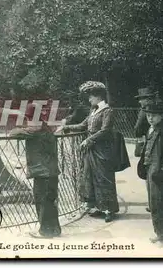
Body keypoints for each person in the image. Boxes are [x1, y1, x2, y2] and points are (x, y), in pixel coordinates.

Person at [57, 81, 119, 223]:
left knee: (104, 177)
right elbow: (83, 125)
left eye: (91, 96)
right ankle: (98, 206)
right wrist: (66, 128)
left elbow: (105, 130)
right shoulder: (93, 111)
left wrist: (89, 140)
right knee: (91, 176)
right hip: (92, 149)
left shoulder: (108, 110)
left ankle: (109, 209)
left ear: (98, 97)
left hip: (103, 149)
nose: (89, 99)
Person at [9, 102, 61, 238]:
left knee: (42, 200)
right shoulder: (45, 127)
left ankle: (45, 231)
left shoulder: (34, 130)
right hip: (51, 170)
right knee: (50, 200)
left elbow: (13, 133)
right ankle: (54, 229)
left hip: (42, 171)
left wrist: (22, 127)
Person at [136, 102, 163, 247]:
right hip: (150, 172)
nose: (150, 118)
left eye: (154, 115)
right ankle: (159, 234)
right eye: (148, 115)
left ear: (161, 116)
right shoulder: (150, 129)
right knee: (153, 205)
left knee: (160, 205)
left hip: (159, 174)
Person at [133, 87, 163, 212]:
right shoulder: (162, 107)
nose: (140, 102)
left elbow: (138, 128)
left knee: (152, 173)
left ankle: (154, 204)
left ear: (149, 98)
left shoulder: (146, 110)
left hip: (153, 140)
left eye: (142, 99)